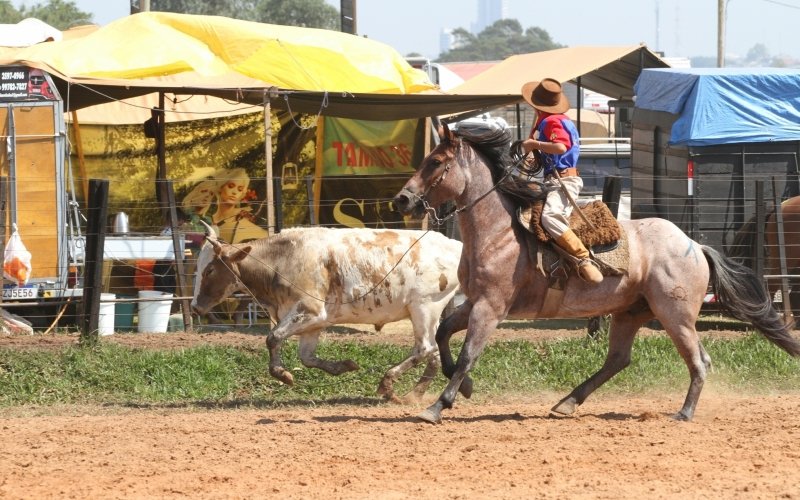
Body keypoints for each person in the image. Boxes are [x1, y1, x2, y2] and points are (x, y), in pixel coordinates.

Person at [517, 78, 603, 284]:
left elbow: (561, 148)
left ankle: (583, 258)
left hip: (563, 180)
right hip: (554, 178)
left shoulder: (551, 121)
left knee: (550, 217)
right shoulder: (552, 120)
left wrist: (534, 143)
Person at [211, 168, 268, 244]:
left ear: (242, 194)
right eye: (231, 186)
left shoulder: (245, 224)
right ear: (221, 187)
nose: (234, 192)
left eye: (240, 189)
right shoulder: (207, 220)